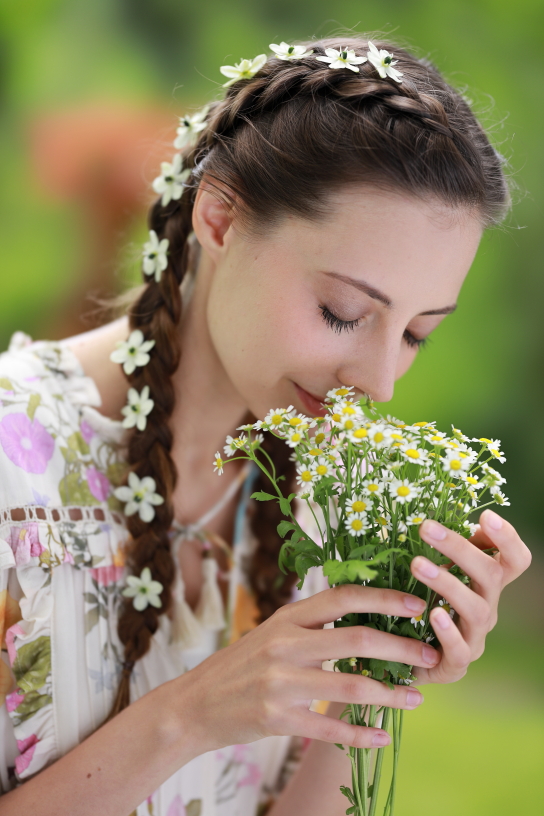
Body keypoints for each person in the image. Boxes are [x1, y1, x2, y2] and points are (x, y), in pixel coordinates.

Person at [0, 34, 532, 816]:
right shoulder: (16, 464)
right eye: (343, 313)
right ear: (220, 219)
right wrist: (189, 716)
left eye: (418, 333)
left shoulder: (326, 512)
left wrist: (376, 672)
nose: (379, 381)